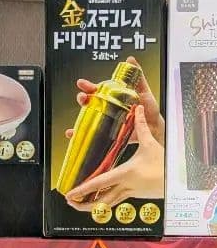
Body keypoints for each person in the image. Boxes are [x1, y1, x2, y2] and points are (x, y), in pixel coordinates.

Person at [64, 56, 165, 211]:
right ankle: (73, 187)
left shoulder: (116, 92)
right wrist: (158, 131)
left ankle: (78, 190)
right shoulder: (112, 89)